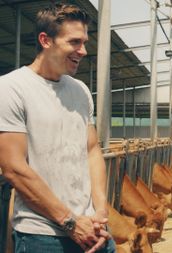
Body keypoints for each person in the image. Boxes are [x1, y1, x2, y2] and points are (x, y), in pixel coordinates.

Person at [0, 4, 115, 253]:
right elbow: (13, 168)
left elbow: (92, 149)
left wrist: (101, 209)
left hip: (94, 231)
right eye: (74, 42)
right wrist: (70, 222)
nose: (83, 51)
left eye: (84, 42)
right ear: (45, 40)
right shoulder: (11, 88)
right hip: (44, 236)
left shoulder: (81, 91)